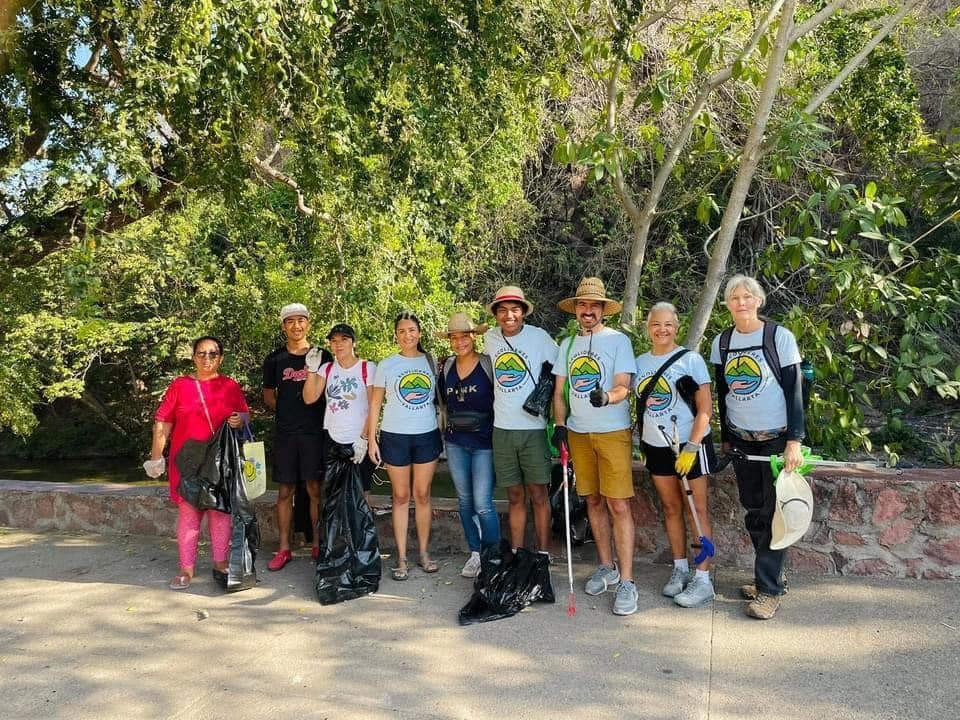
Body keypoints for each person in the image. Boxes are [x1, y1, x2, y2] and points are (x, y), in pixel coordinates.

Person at [710, 275, 805, 620]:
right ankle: (771, 577)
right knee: (753, 510)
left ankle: (768, 591)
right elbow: (723, 393)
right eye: (734, 297)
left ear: (759, 300)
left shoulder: (778, 337)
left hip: (777, 439)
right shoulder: (722, 342)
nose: (741, 301)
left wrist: (794, 441)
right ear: (727, 304)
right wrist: (725, 436)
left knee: (773, 513)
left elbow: (795, 391)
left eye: (747, 296)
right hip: (740, 440)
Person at [551, 277, 638, 616]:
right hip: (578, 433)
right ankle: (607, 566)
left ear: (603, 310)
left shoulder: (618, 341)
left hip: (612, 432)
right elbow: (560, 391)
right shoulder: (568, 344)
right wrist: (560, 425)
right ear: (577, 310)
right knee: (593, 500)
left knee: (618, 505)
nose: (587, 311)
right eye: (582, 306)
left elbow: (623, 386)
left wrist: (607, 397)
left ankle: (628, 582)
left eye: (593, 306)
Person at [145, 336, 249, 590]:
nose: (207, 358)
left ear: (221, 358)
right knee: (189, 514)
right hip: (187, 461)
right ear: (193, 357)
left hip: (219, 462)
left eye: (213, 354)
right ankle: (186, 568)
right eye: (201, 353)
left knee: (219, 512)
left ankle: (220, 562)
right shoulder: (180, 385)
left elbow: (245, 416)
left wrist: (239, 420)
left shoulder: (229, 386)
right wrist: (156, 456)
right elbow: (163, 421)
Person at [635, 302, 716, 608]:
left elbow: (705, 408)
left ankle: (703, 578)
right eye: (656, 324)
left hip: (689, 446)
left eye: (668, 324)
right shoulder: (640, 362)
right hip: (656, 445)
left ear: (677, 327)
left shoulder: (691, 360)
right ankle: (680, 568)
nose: (662, 329)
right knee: (670, 508)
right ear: (648, 327)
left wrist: (692, 448)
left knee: (697, 509)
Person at [366, 311, 442, 581]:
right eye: (402, 331)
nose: (407, 335)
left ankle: (423, 553)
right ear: (396, 335)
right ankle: (401, 557)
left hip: (426, 435)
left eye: (412, 330)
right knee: (399, 497)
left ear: (419, 333)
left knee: (422, 495)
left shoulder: (432, 362)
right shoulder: (387, 365)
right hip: (394, 435)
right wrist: (371, 439)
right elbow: (375, 404)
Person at [482, 286, 558, 555]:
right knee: (514, 496)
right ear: (495, 315)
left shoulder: (540, 338)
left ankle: (543, 554)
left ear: (524, 312)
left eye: (515, 309)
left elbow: (561, 371)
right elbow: (472, 336)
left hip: (533, 429)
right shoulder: (490, 338)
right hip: (502, 429)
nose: (509, 315)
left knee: (539, 495)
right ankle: (517, 553)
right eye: (502, 310)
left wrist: (559, 416)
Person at [262, 303, 332, 571]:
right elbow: (269, 397)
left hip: (315, 432)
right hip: (286, 434)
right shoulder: (275, 359)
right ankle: (283, 548)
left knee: (315, 489)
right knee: (284, 491)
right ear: (283, 326)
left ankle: (317, 543)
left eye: (301, 320)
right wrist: (290, 412)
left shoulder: (321, 355)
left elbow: (331, 390)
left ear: (308, 324)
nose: (296, 326)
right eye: (290, 321)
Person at [435, 312, 499, 578]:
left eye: (465, 336)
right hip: (455, 441)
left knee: (483, 502)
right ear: (450, 340)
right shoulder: (447, 367)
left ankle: (493, 555)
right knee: (464, 500)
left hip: (484, 440)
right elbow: (441, 403)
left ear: (475, 337)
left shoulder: (487, 364)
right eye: (454, 337)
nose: (460, 341)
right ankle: (475, 553)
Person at [302, 324, 377, 500]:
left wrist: (364, 438)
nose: (339, 344)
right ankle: (337, 529)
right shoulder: (326, 369)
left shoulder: (367, 368)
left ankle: (360, 528)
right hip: (332, 440)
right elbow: (309, 398)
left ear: (353, 342)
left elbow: (374, 406)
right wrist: (311, 370)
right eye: (334, 341)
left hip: (358, 439)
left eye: (344, 339)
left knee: (361, 493)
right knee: (333, 494)